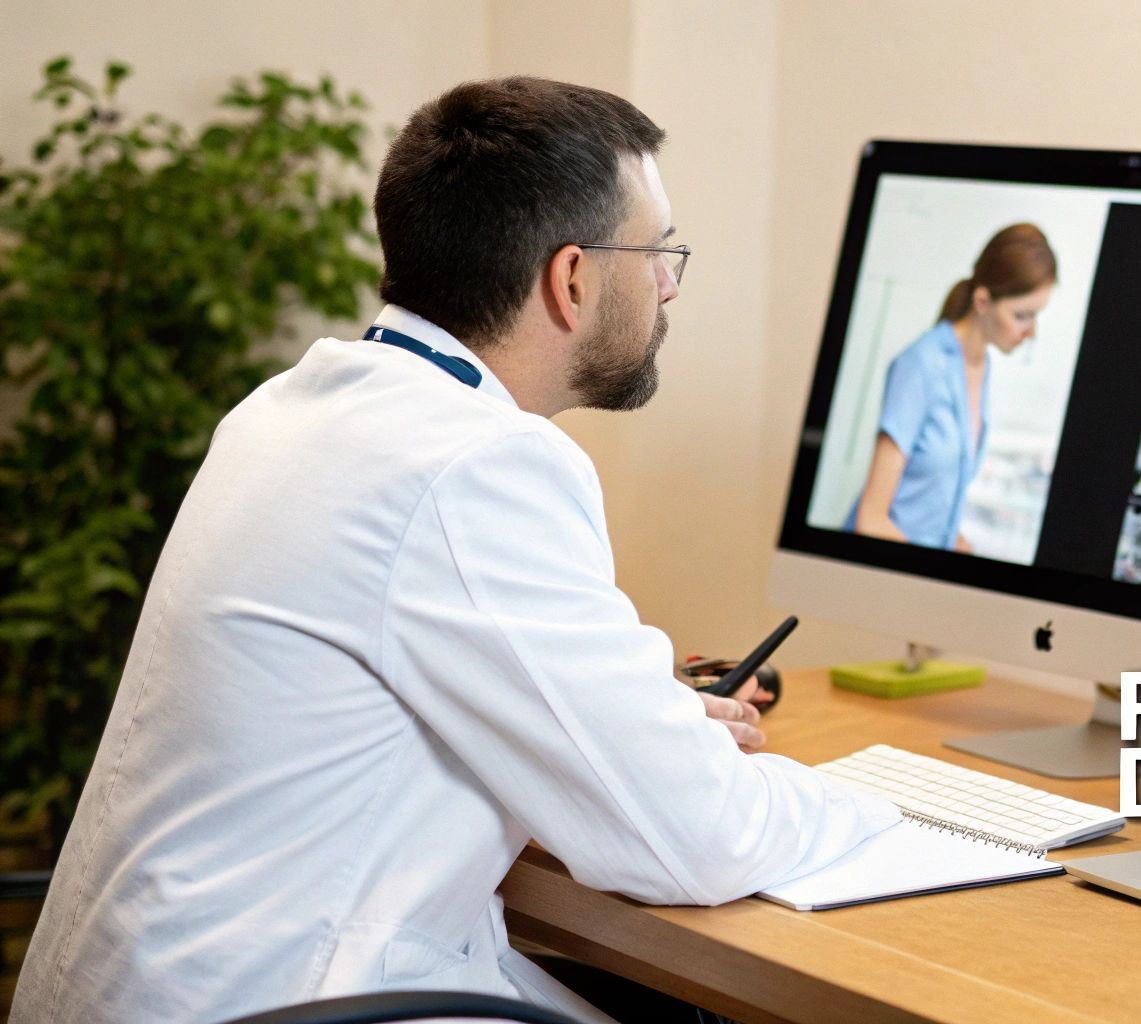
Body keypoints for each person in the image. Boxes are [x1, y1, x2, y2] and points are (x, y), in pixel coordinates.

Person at [13, 78, 900, 1024]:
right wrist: (888, 805)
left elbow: (410, 679)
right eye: (659, 252)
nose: (670, 282)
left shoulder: (293, 409)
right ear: (572, 280)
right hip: (286, 1002)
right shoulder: (478, 465)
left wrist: (643, 723)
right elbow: (694, 841)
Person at [847, 223, 1056, 553]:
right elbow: (871, 520)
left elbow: (929, 498)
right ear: (983, 301)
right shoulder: (921, 366)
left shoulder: (980, 366)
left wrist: (955, 543)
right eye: (1022, 316)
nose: (1031, 333)